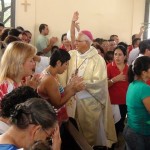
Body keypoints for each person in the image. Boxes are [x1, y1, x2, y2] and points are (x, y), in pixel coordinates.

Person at [58, 12, 117, 147]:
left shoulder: (97, 59)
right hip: (71, 100)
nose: (75, 43)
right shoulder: (73, 55)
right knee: (72, 133)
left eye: (79, 41)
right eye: (76, 41)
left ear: (87, 43)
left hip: (88, 102)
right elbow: (61, 70)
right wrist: (72, 23)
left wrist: (81, 84)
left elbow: (100, 83)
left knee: (87, 136)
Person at [37, 49, 85, 125]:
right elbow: (57, 104)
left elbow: (59, 93)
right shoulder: (49, 79)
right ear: (58, 63)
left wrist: (71, 84)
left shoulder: (50, 74)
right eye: (66, 64)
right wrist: (73, 91)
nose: (66, 67)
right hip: (52, 119)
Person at [123, 56, 150, 150]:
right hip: (139, 133)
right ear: (144, 72)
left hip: (131, 128)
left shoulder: (133, 84)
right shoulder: (144, 88)